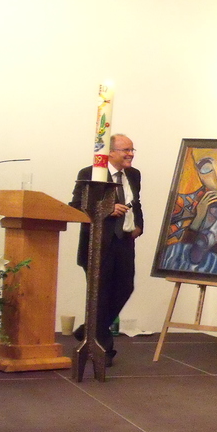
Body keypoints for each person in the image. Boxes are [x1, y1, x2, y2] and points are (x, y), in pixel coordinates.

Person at [69, 134, 143, 366]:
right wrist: (107, 210)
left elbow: (136, 202)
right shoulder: (90, 173)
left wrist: (139, 225)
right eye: (126, 150)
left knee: (125, 288)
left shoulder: (134, 174)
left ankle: (88, 330)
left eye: (132, 150)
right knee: (100, 295)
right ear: (110, 152)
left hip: (124, 242)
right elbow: (77, 207)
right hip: (98, 244)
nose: (130, 154)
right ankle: (103, 351)